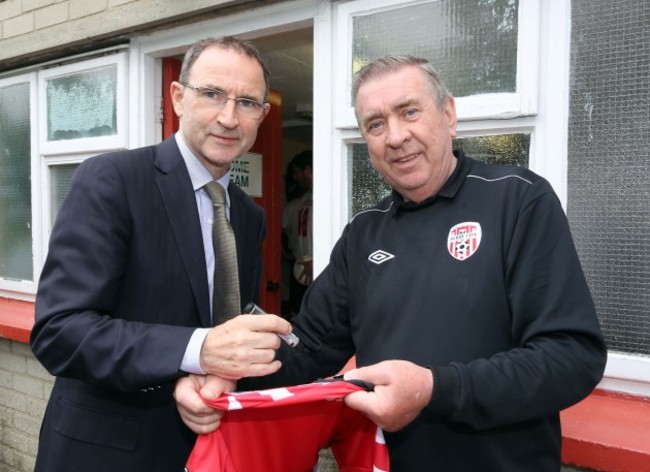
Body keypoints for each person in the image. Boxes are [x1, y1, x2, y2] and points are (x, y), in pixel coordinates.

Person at [176, 55, 607, 471]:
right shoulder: (365, 233)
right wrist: (227, 378)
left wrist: (434, 389)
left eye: (409, 112)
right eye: (375, 124)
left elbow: (571, 357)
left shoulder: (518, 199)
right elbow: (305, 350)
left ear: (449, 114)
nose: (395, 136)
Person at [29, 36, 293, 472]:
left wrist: (225, 368)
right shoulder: (113, 180)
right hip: (106, 452)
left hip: (205, 447)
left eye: (246, 103)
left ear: (262, 116)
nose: (229, 117)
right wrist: (199, 349)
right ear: (177, 98)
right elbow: (59, 332)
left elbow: (224, 323)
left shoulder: (248, 216)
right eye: (212, 94)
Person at [283, 150, 313, 315]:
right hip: (302, 264)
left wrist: (315, 258)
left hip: (317, 266)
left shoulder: (327, 197)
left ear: (307, 171)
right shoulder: (304, 198)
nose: (294, 177)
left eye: (296, 172)